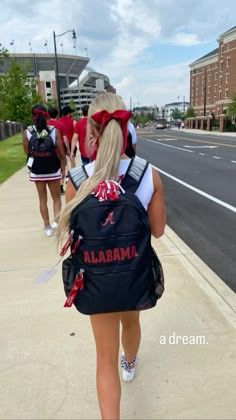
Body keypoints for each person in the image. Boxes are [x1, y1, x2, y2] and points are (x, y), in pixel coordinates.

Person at [57, 92, 166, 419]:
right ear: (127, 128)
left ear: (90, 132)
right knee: (130, 322)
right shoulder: (148, 174)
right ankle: (130, 363)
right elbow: (158, 231)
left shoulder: (77, 180)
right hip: (134, 276)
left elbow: (73, 234)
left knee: (104, 358)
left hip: (96, 279)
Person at [22, 104, 66, 237]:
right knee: (56, 198)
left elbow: (26, 151)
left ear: (33, 116)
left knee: (42, 199)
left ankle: (47, 227)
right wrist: (63, 166)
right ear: (46, 115)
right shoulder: (54, 130)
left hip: (37, 170)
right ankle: (56, 224)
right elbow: (61, 153)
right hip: (53, 169)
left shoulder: (28, 132)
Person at [48, 106, 67, 195]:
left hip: (49, 150)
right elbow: (65, 138)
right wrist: (68, 148)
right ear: (57, 114)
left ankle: (54, 186)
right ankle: (61, 186)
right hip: (60, 149)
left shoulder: (46, 124)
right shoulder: (61, 125)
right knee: (62, 168)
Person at [58, 105, 76, 169]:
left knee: (63, 160)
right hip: (70, 142)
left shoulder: (59, 121)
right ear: (69, 113)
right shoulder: (73, 122)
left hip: (61, 143)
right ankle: (73, 174)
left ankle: (65, 174)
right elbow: (75, 134)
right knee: (72, 160)